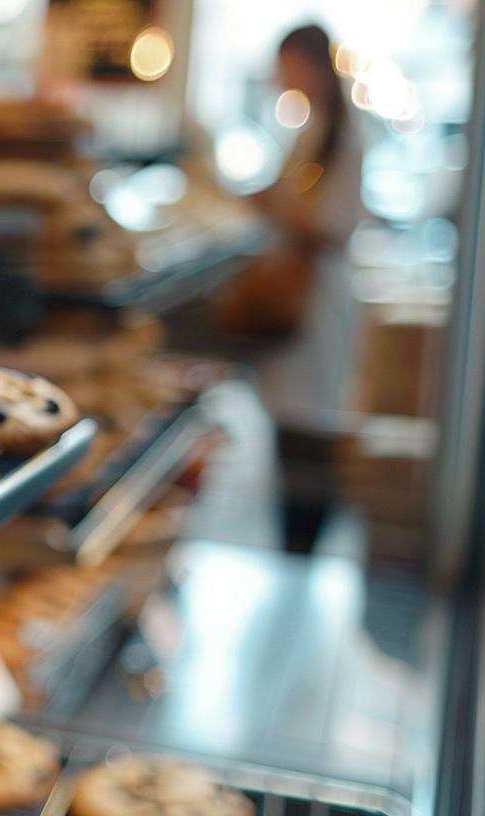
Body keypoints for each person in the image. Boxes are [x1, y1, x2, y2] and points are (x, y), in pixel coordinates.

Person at [213, 23, 365, 550]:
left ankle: (302, 545)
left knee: (309, 433)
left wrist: (273, 204)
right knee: (290, 429)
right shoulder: (315, 127)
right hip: (304, 296)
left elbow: (333, 225)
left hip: (316, 301)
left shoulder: (344, 132)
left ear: (306, 63)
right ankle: (293, 542)